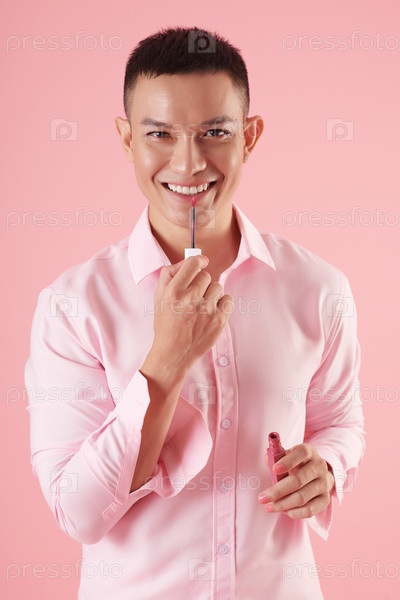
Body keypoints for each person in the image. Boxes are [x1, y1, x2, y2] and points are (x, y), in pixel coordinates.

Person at [25, 26, 366, 599]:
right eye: (159, 133)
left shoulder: (319, 288)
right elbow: (78, 511)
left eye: (215, 132)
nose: (188, 163)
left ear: (249, 137)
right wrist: (165, 362)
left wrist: (326, 467)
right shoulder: (72, 306)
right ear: (127, 139)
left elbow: (341, 423)